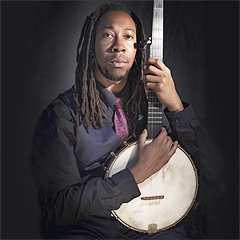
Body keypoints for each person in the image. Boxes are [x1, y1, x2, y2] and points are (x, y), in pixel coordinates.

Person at [30, 2, 225, 239]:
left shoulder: (151, 104)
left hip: (152, 226)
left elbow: (214, 175)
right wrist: (135, 175)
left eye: (128, 37)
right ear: (92, 47)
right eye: (108, 35)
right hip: (89, 229)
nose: (118, 46)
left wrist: (175, 104)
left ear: (137, 49)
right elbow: (58, 207)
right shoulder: (61, 114)